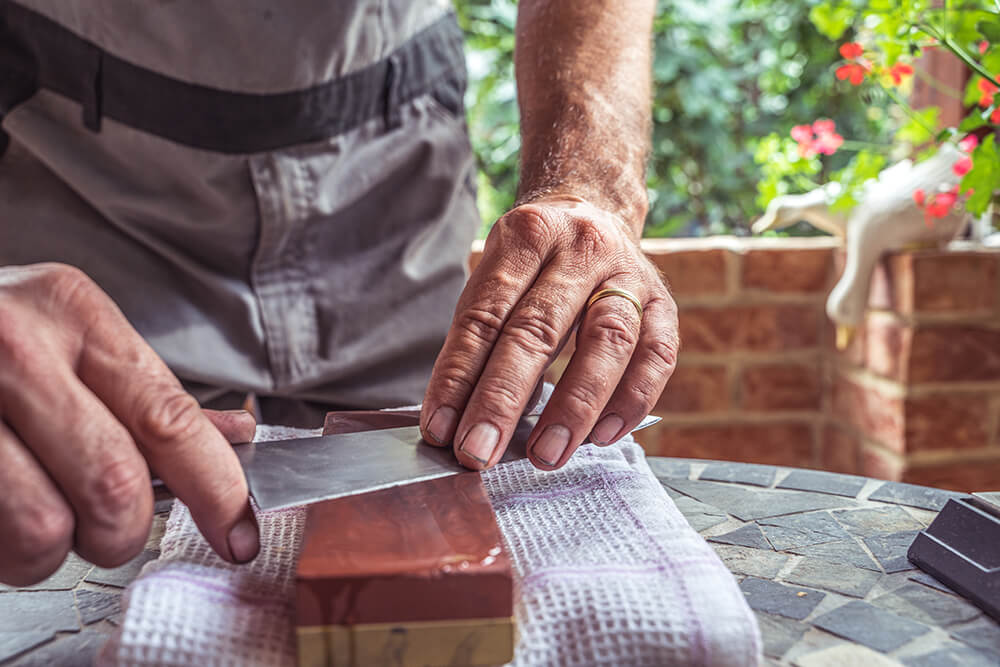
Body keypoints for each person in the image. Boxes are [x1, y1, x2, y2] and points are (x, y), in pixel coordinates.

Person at [0, 0, 678, 586]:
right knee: (75, 521)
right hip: (78, 184)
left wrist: (592, 187)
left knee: (448, 500)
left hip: (391, 176)